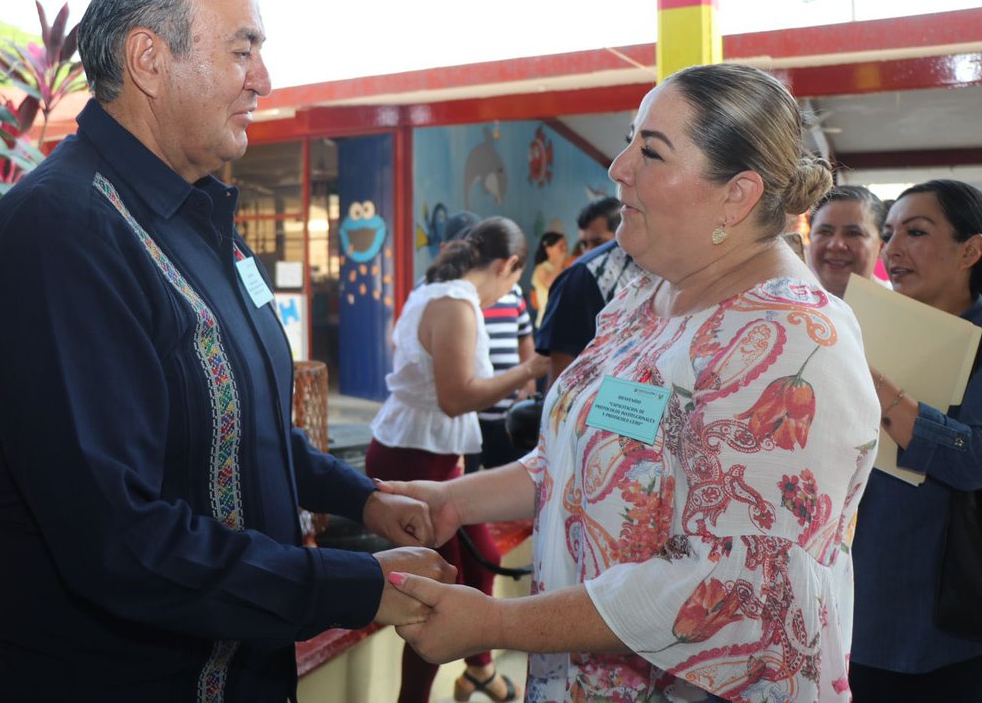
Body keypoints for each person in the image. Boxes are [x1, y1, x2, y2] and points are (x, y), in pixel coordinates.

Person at [0, 0, 453, 702]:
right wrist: (354, 584)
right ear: (149, 58)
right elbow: (120, 540)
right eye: (242, 48)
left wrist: (361, 497)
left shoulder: (196, 215)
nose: (263, 78)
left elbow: (242, 426)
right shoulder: (62, 239)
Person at [380, 63, 881, 702]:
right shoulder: (646, 299)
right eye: (629, 140)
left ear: (738, 194)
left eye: (650, 150)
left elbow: (733, 588)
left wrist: (496, 622)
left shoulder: (794, 342)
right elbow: (583, 461)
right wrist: (455, 501)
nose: (619, 167)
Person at [366, 216, 550, 703]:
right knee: (434, 590)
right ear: (509, 265)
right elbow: (455, 397)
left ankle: (479, 670)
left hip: (431, 450)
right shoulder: (455, 304)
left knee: (483, 556)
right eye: (514, 281)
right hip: (415, 454)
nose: (509, 293)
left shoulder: (436, 292)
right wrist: (529, 371)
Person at [849, 179, 982, 702]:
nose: (892, 250)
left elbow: (978, 460)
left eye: (915, 232)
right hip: (856, 605)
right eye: (888, 233)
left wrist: (878, 389)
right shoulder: (860, 324)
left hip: (946, 626)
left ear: (971, 250)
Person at [437, 213, 537, 473]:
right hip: (466, 416)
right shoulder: (445, 296)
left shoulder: (510, 290)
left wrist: (527, 386)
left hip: (506, 412)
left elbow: (524, 337)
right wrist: (530, 370)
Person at [535, 196, 647, 385]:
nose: (590, 252)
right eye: (584, 244)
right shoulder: (580, 278)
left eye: (598, 242)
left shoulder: (657, 268)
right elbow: (561, 378)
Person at [807, 184, 887, 298]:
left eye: (853, 233)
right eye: (825, 232)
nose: (835, 245)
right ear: (809, 238)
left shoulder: (902, 310)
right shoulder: (787, 304)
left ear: (881, 247)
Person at [530, 231, 568, 328]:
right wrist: (560, 260)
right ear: (548, 249)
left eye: (565, 245)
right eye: (560, 246)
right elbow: (550, 283)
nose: (565, 249)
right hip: (547, 321)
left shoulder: (565, 268)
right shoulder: (541, 268)